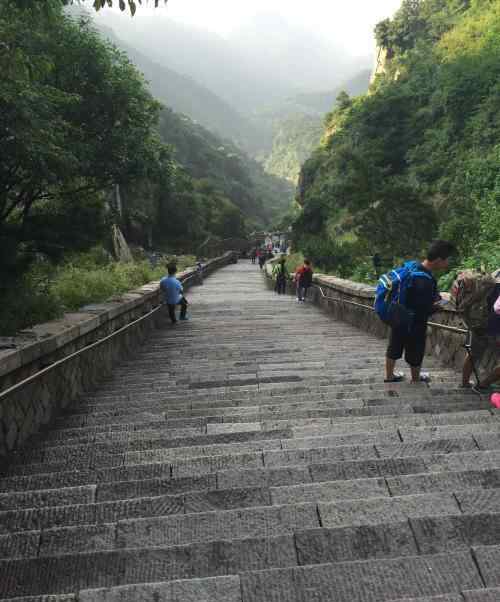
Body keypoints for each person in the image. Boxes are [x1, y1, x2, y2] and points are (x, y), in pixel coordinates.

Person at [385, 240, 455, 384]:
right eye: (447, 260)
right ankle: (415, 380)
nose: (447, 263)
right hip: (415, 323)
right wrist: (438, 306)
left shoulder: (413, 267)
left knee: (394, 346)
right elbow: (423, 309)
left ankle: (389, 376)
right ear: (438, 260)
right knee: (416, 351)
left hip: (399, 316)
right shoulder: (425, 280)